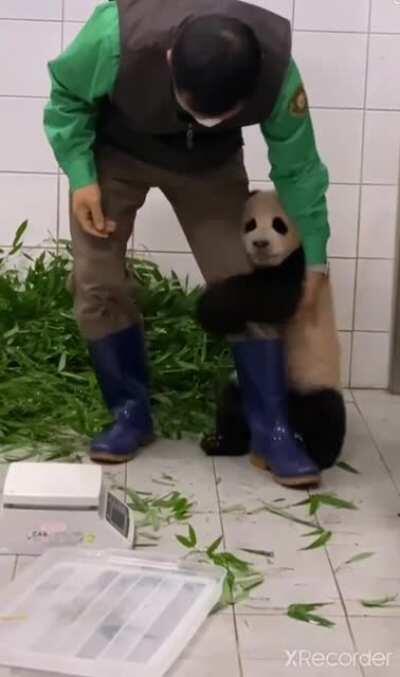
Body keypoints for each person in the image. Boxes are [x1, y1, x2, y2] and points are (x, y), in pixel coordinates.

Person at [43, 0, 330, 484]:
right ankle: (130, 413)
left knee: (245, 283)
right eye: (196, 108)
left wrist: (315, 261)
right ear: (171, 58)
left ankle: (272, 431)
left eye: (222, 113)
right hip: (117, 152)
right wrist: (81, 176)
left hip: (210, 167)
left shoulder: (278, 72)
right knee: (95, 280)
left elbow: (299, 169)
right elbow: (67, 96)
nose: (203, 118)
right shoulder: (117, 35)